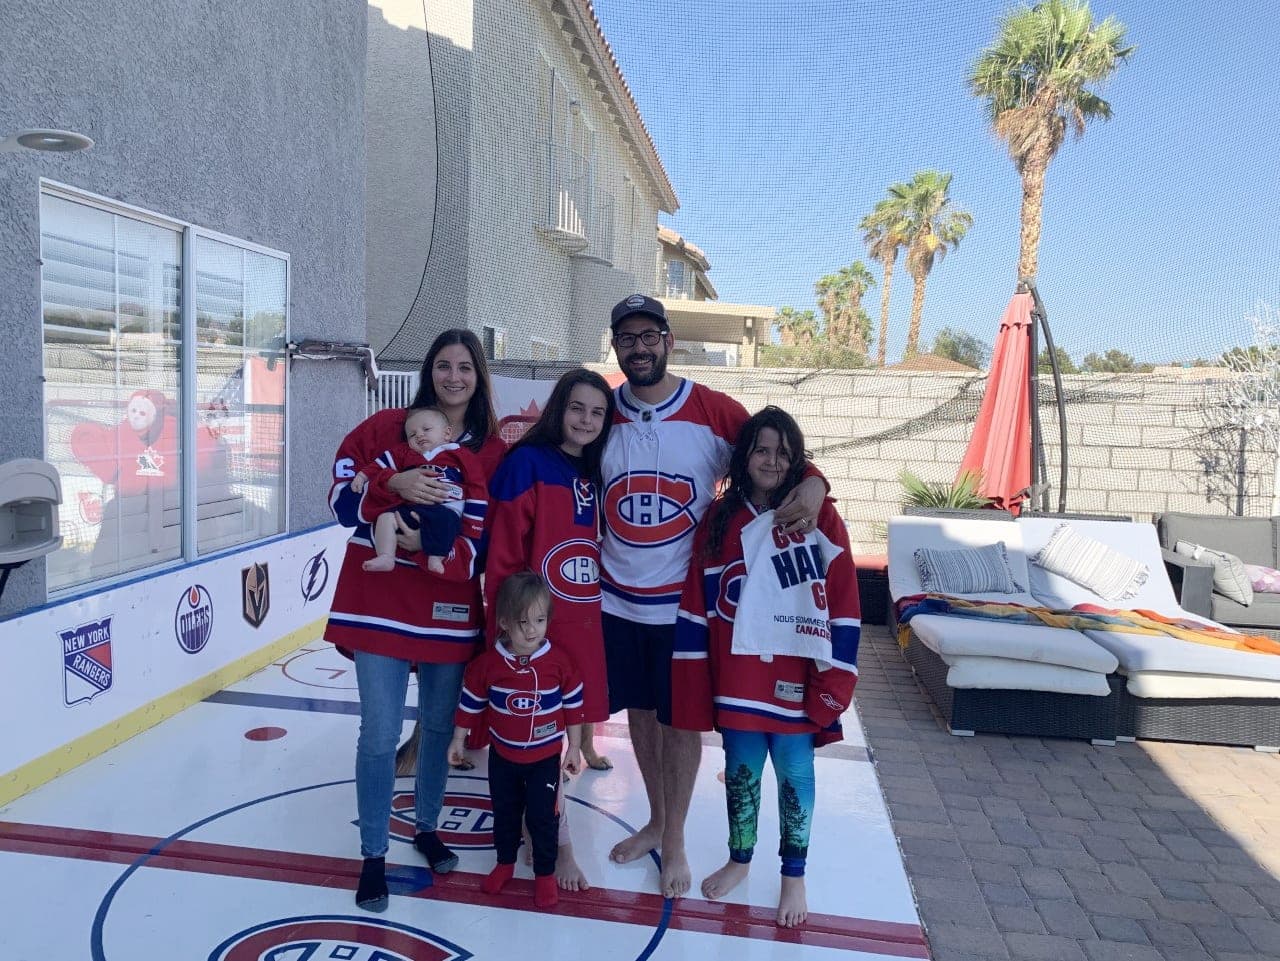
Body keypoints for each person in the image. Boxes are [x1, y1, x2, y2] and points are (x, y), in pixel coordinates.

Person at [599, 294, 828, 898]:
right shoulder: (602, 410)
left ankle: (673, 839)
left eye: (650, 336)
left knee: (682, 724)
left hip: (684, 608)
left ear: (669, 341)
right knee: (642, 718)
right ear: (616, 346)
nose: (639, 347)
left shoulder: (711, 408)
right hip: (617, 600)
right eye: (628, 338)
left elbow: (778, 450)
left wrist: (815, 481)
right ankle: (654, 819)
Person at [326, 329, 506, 913]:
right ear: (429, 371)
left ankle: (427, 828)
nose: (454, 377)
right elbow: (336, 497)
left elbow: (481, 535)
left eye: (465, 368)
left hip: (448, 610)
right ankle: (373, 853)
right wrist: (390, 484)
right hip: (377, 604)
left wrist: (428, 550)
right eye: (444, 366)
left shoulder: (490, 450)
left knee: (434, 730)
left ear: (479, 378)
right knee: (379, 734)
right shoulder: (384, 429)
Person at [672, 406, 860, 928]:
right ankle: (740, 858)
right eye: (761, 449)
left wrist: (836, 679)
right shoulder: (719, 519)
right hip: (738, 681)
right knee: (741, 773)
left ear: (797, 459)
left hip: (798, 681)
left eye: (782, 451)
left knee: (797, 772)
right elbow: (697, 602)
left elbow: (843, 603)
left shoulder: (820, 516)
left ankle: (793, 875)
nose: (771, 460)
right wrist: (696, 680)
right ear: (743, 456)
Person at [485, 368, 615, 891]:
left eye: (598, 412)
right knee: (539, 745)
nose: (586, 420)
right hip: (536, 628)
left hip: (583, 621)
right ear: (559, 408)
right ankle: (557, 847)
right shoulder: (527, 464)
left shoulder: (601, 468)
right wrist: (510, 625)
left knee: (564, 735)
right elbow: (503, 556)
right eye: (577, 408)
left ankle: (537, 829)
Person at [450, 572, 584, 909]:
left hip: (545, 760)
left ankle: (544, 875)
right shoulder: (488, 665)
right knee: (505, 813)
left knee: (543, 817)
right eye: (523, 621)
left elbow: (574, 707)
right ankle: (505, 864)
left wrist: (575, 747)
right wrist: (458, 741)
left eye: (539, 620)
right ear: (505, 623)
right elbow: (469, 705)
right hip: (503, 758)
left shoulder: (559, 662)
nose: (532, 630)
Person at [352, 405, 486, 574]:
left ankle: (436, 556)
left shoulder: (460, 454)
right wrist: (362, 476)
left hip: (447, 507)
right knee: (386, 517)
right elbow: (380, 464)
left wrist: (473, 524)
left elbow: (477, 487)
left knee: (445, 522)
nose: (420, 435)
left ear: (447, 433)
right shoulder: (404, 452)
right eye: (412, 434)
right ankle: (386, 556)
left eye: (427, 429)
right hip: (413, 508)